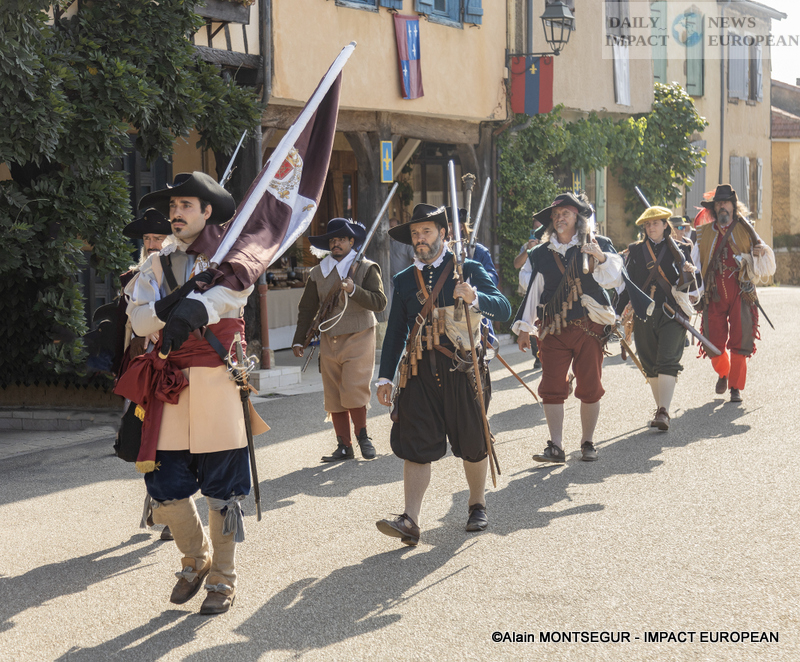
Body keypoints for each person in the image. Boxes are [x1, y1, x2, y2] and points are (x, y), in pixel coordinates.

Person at [117, 171, 259, 615]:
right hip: (169, 384)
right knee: (165, 484)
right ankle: (195, 560)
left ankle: (223, 578)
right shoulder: (154, 264)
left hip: (218, 381)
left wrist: (193, 305)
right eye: (173, 206)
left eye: (185, 206)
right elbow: (140, 322)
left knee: (224, 489)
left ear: (207, 211)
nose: (175, 214)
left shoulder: (233, 260)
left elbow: (232, 299)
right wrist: (173, 304)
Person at [375, 204, 511, 546]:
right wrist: (385, 377)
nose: (420, 239)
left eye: (427, 232)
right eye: (415, 234)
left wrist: (475, 296)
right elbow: (395, 333)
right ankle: (410, 520)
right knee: (415, 444)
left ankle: (477, 505)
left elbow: (503, 307)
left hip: (462, 369)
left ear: (444, 234)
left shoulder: (468, 269)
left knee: (473, 442)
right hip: (418, 372)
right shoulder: (403, 280)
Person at [513, 192, 624, 463]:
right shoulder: (540, 253)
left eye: (566, 213)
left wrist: (600, 257)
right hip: (553, 328)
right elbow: (533, 291)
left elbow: (615, 281)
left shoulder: (598, 244)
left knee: (590, 386)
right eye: (556, 214)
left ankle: (587, 442)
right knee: (551, 386)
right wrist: (525, 327)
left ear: (577, 217)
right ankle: (556, 446)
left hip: (589, 328)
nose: (559, 218)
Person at [292, 218, 387, 462]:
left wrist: (354, 290)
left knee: (354, 388)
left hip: (359, 334)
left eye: (341, 239)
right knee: (333, 394)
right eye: (332, 240)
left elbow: (379, 302)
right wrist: (299, 340)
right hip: (329, 338)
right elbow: (307, 308)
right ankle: (344, 446)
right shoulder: (318, 272)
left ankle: (363, 437)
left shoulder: (367, 268)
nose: (336, 244)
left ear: (351, 242)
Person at [691, 184, 775, 403]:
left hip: (741, 293)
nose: (722, 207)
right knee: (713, 341)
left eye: (726, 203)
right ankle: (723, 373)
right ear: (714, 208)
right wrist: (695, 293)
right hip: (713, 294)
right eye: (719, 203)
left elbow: (766, 262)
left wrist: (758, 253)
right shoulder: (703, 234)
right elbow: (695, 266)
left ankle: (735, 387)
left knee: (740, 339)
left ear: (733, 206)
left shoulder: (747, 229)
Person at [617, 206, 697, 431]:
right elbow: (626, 286)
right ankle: (661, 408)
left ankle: (663, 411)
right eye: (648, 224)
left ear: (665, 225)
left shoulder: (681, 249)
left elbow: (693, 285)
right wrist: (616, 313)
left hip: (671, 311)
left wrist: (689, 272)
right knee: (649, 363)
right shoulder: (635, 251)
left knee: (668, 360)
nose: (651, 227)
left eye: (655, 223)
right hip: (643, 312)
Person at [515, 219, 546, 369]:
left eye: (541, 227)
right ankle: (538, 355)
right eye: (535, 228)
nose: (538, 231)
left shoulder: (552, 245)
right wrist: (528, 250)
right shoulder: (527, 246)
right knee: (531, 322)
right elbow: (517, 264)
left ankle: (544, 354)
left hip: (547, 293)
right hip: (529, 291)